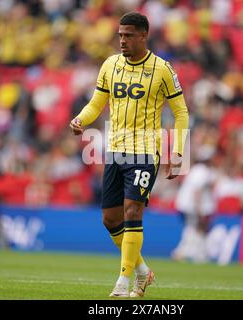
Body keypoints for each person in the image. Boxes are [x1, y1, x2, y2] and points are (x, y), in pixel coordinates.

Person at [70, 12, 189, 298]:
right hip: (116, 151)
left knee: (132, 211)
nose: (122, 40)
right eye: (120, 35)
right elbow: (97, 103)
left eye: (128, 35)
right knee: (111, 220)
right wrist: (80, 120)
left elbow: (181, 112)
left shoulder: (162, 69)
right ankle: (142, 271)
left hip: (146, 150)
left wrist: (178, 152)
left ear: (143, 36)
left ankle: (123, 283)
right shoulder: (110, 65)